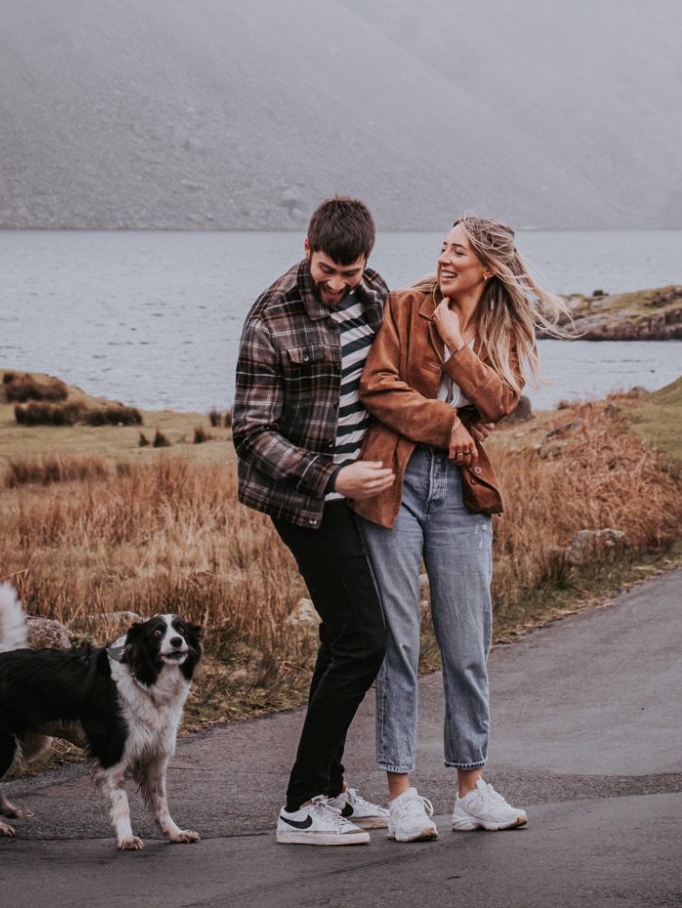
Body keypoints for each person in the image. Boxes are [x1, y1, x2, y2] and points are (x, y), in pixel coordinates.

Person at [350, 215, 565, 842]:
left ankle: (471, 790)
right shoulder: (405, 305)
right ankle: (403, 795)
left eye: (458, 251)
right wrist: (449, 423)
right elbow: (378, 388)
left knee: (468, 643)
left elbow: (501, 402)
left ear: (487, 266)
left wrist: (457, 344)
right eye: (443, 247)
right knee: (399, 640)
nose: (445, 258)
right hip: (397, 481)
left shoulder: (498, 325)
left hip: (461, 492)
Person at [233, 196, 396, 847]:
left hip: (355, 498)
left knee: (340, 636)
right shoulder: (270, 317)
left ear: (366, 264)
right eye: (326, 269)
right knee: (364, 640)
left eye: (348, 273)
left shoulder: (374, 294)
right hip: (304, 504)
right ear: (308, 249)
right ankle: (300, 804)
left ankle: (328, 788)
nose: (335, 284)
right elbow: (250, 432)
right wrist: (333, 476)